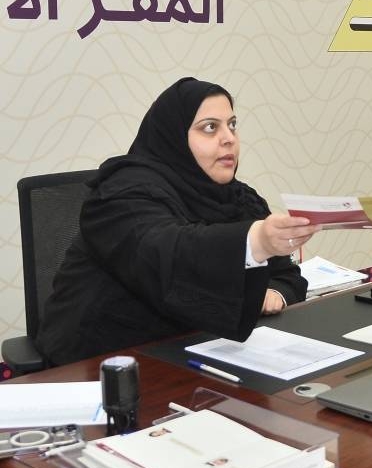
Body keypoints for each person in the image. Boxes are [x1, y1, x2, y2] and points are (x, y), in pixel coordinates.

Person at [35, 77, 321, 366]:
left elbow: (286, 274)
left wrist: (276, 292)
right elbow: (168, 252)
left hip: (198, 353)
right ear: (173, 135)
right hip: (103, 364)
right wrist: (255, 241)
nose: (229, 138)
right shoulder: (121, 195)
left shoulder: (237, 198)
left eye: (231, 125)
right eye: (210, 127)